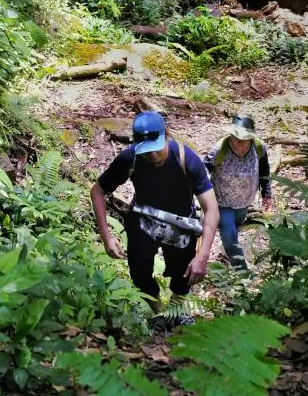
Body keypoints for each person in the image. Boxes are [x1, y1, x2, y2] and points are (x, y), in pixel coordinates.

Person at [90, 111, 219, 327]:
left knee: (184, 274)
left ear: (166, 134)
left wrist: (203, 255)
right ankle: (160, 315)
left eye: (155, 148)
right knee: (139, 272)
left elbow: (211, 208)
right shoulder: (130, 158)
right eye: (145, 150)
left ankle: (176, 311)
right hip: (143, 219)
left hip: (181, 223)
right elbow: (98, 191)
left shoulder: (187, 160)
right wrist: (106, 236)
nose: (151, 155)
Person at [204, 114, 273, 271]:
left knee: (236, 226)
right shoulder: (219, 149)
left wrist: (266, 194)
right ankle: (242, 273)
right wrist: (201, 190)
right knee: (229, 236)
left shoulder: (259, 147)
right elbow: (203, 168)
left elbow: (264, 170)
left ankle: (227, 248)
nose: (240, 144)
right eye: (236, 139)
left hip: (245, 200)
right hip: (221, 200)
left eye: (244, 140)